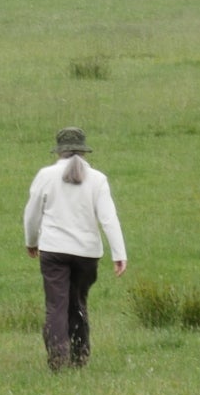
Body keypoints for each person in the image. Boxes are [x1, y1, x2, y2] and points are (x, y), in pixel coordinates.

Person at [24, 127, 127, 371]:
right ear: (83, 150)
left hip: (54, 250)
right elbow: (108, 218)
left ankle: (58, 358)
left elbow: (31, 213)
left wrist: (31, 241)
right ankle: (80, 355)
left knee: (56, 305)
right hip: (87, 254)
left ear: (59, 150)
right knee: (78, 302)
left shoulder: (46, 175)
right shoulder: (98, 179)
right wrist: (119, 253)